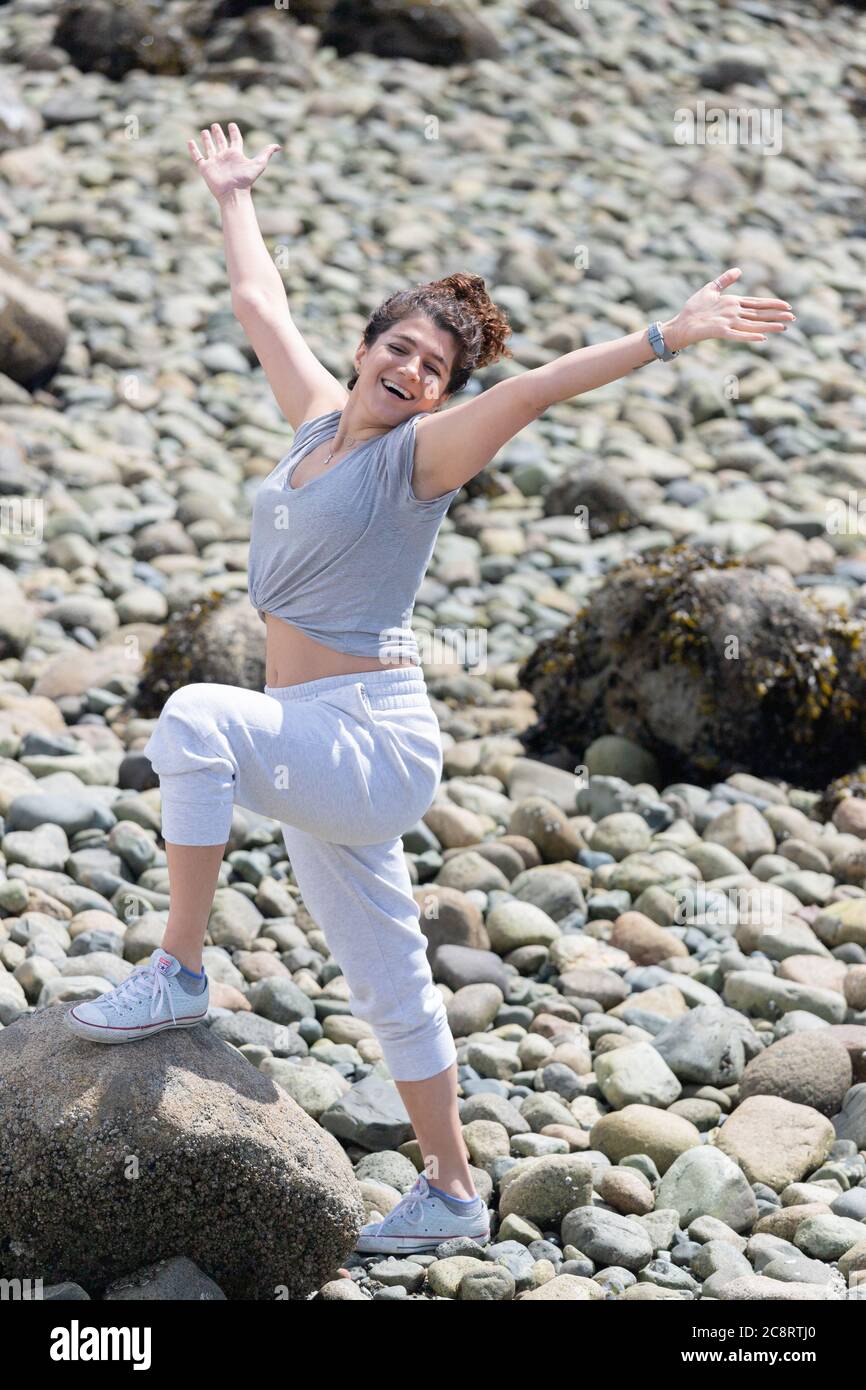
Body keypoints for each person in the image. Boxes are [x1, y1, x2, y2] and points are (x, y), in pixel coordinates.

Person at [63, 122, 795, 1256]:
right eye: (397, 348)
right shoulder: (314, 418)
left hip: (370, 736)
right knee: (390, 975)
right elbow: (260, 302)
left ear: (442, 391)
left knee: (196, 716)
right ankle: (452, 1189)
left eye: (433, 369)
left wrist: (667, 334)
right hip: (317, 738)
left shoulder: (420, 460)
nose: (409, 372)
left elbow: (541, 388)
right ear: (365, 349)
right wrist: (230, 196)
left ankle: (179, 967)